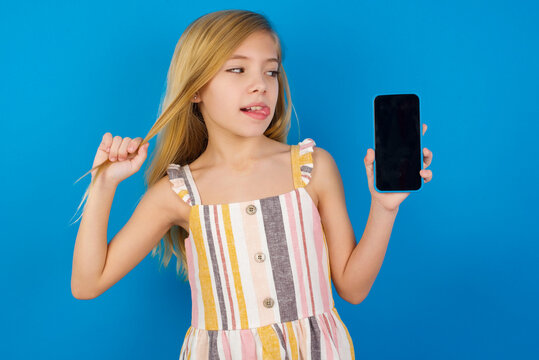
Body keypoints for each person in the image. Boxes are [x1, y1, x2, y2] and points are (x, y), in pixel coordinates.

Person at [71, 9, 433, 359]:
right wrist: (104, 184)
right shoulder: (177, 192)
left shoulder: (314, 168)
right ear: (195, 89)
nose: (260, 85)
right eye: (237, 69)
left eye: (271, 71)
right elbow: (87, 284)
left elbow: (353, 288)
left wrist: (384, 208)